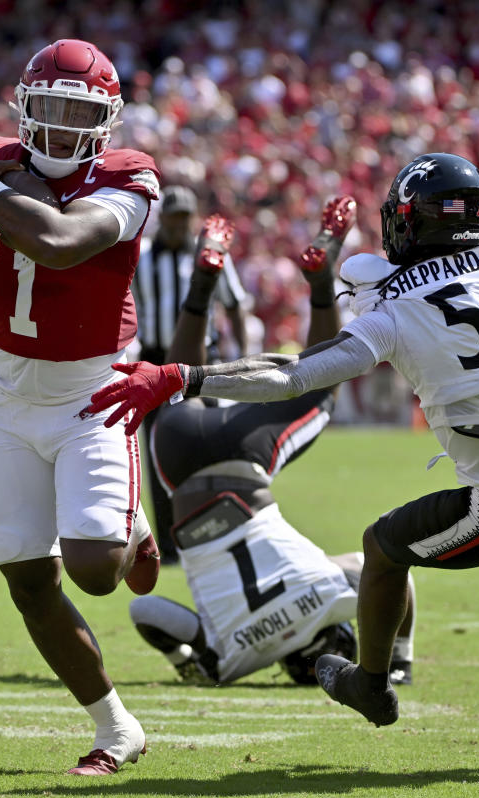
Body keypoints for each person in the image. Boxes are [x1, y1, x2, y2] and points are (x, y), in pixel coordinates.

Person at [86, 153, 479, 776]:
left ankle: (371, 682)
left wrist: (184, 377)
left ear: (417, 223)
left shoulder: (392, 305)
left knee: (383, 549)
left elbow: (292, 375)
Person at [0, 39, 161, 777]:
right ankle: (117, 730)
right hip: (9, 395)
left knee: (94, 570)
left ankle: (131, 526)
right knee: (27, 580)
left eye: (74, 113)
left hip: (92, 392)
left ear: (105, 120)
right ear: (22, 107)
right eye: (44, 110)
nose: (55, 128)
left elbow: (58, 240)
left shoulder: (129, 175)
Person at [129, 196, 419, 687]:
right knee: (185, 392)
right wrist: (192, 663)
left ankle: (310, 285)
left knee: (320, 386)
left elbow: (398, 577)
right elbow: (147, 612)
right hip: (183, 463)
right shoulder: (229, 659)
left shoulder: (335, 593)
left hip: (241, 462)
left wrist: (397, 662)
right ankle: (209, 291)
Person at [132, 185, 249, 563]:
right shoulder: (143, 256)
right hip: (154, 361)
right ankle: (168, 546)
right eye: (174, 217)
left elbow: (234, 305)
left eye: (186, 218)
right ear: (161, 218)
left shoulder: (210, 254)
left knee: (206, 447)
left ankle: (212, 533)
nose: (180, 225)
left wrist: (240, 355)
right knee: (156, 453)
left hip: (202, 363)